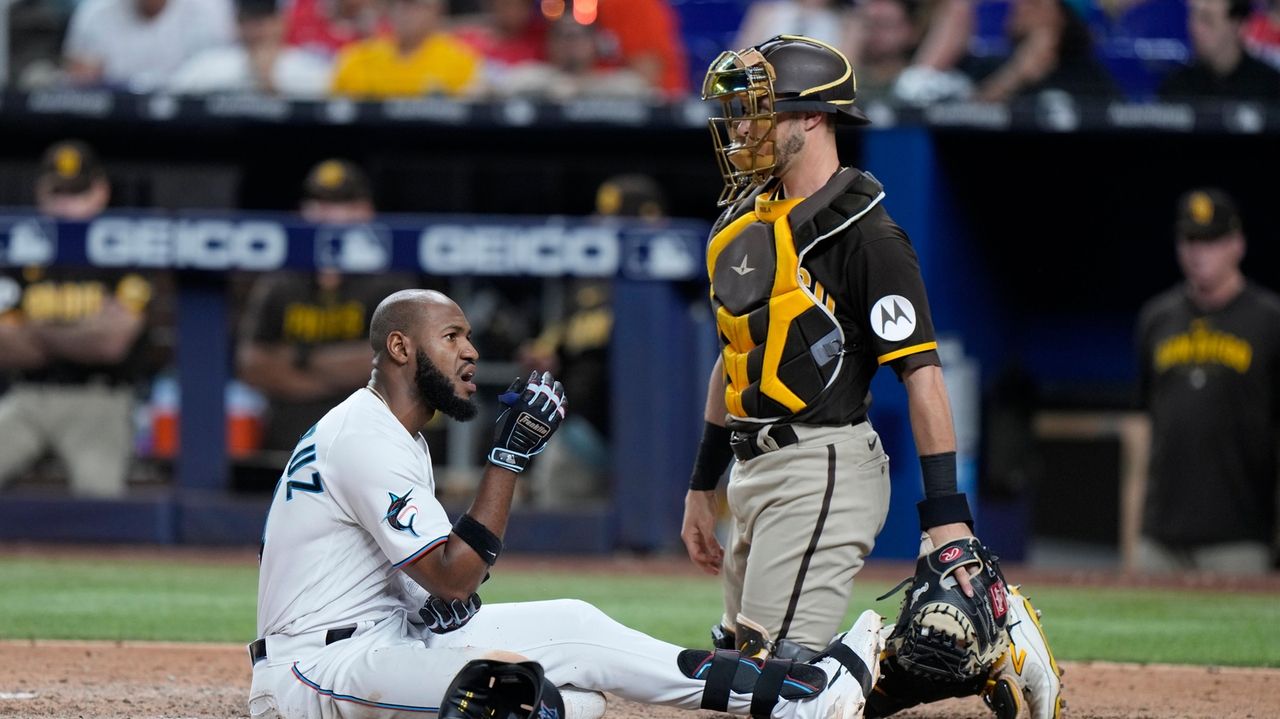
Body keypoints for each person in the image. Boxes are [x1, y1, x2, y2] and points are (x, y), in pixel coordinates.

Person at [248, 288, 885, 719]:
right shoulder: (364, 436)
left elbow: (438, 591)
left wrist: (441, 601)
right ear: (400, 348)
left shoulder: (394, 433)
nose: (471, 352)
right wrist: (508, 458)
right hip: (315, 671)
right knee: (512, 696)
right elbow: (453, 574)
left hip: (380, 639)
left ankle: (795, 696)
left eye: (468, 337)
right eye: (452, 337)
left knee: (578, 653)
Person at [686, 35, 1063, 718]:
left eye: (757, 110)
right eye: (739, 111)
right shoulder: (744, 221)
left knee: (777, 689)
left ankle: (967, 643)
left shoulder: (869, 235)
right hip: (751, 470)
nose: (740, 127)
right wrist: (701, 483)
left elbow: (922, 374)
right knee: (744, 677)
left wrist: (946, 518)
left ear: (811, 116)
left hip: (822, 464)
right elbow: (733, 354)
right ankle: (960, 654)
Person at [0, 139, 160, 498]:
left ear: (100, 192)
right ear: (42, 193)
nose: (68, 205)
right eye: (59, 193)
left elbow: (110, 344)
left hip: (99, 401)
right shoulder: (18, 248)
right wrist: (81, 334)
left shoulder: (124, 250)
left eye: (78, 193)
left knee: (100, 503)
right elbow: (4, 347)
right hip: (28, 396)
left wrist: (34, 330)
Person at [1134, 188, 1280, 575]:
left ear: (1237, 244)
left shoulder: (1269, 321)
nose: (1199, 252)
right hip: (1160, 540)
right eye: (1190, 240)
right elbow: (1146, 428)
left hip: (1240, 539)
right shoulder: (1156, 319)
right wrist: (1135, 530)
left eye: (1211, 241)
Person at [236, 158, 416, 455]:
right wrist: (339, 375)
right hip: (288, 446)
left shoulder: (390, 281)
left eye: (342, 204)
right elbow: (251, 366)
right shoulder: (281, 281)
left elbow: (394, 362)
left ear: (365, 211)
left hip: (368, 444)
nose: (326, 214)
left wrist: (301, 359)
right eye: (317, 203)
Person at [168, 0, 333, 97]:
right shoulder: (208, 64)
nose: (256, 30)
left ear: (281, 23)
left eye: (264, 21)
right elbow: (173, 95)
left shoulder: (307, 67)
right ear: (237, 24)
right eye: (248, 21)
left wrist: (270, 84)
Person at [61, 0, 234, 92]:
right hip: (117, 125)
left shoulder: (210, 9)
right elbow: (80, 87)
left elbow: (227, 75)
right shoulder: (95, 11)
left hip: (197, 125)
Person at [329, 0, 481, 98]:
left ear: (437, 12)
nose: (406, 13)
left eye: (415, 6)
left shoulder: (460, 59)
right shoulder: (358, 56)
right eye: (400, 4)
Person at [1157, 0, 1280, 101]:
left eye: (1207, 20)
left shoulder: (1271, 88)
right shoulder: (1176, 88)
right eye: (1193, 19)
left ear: (1238, 25)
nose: (1195, 29)